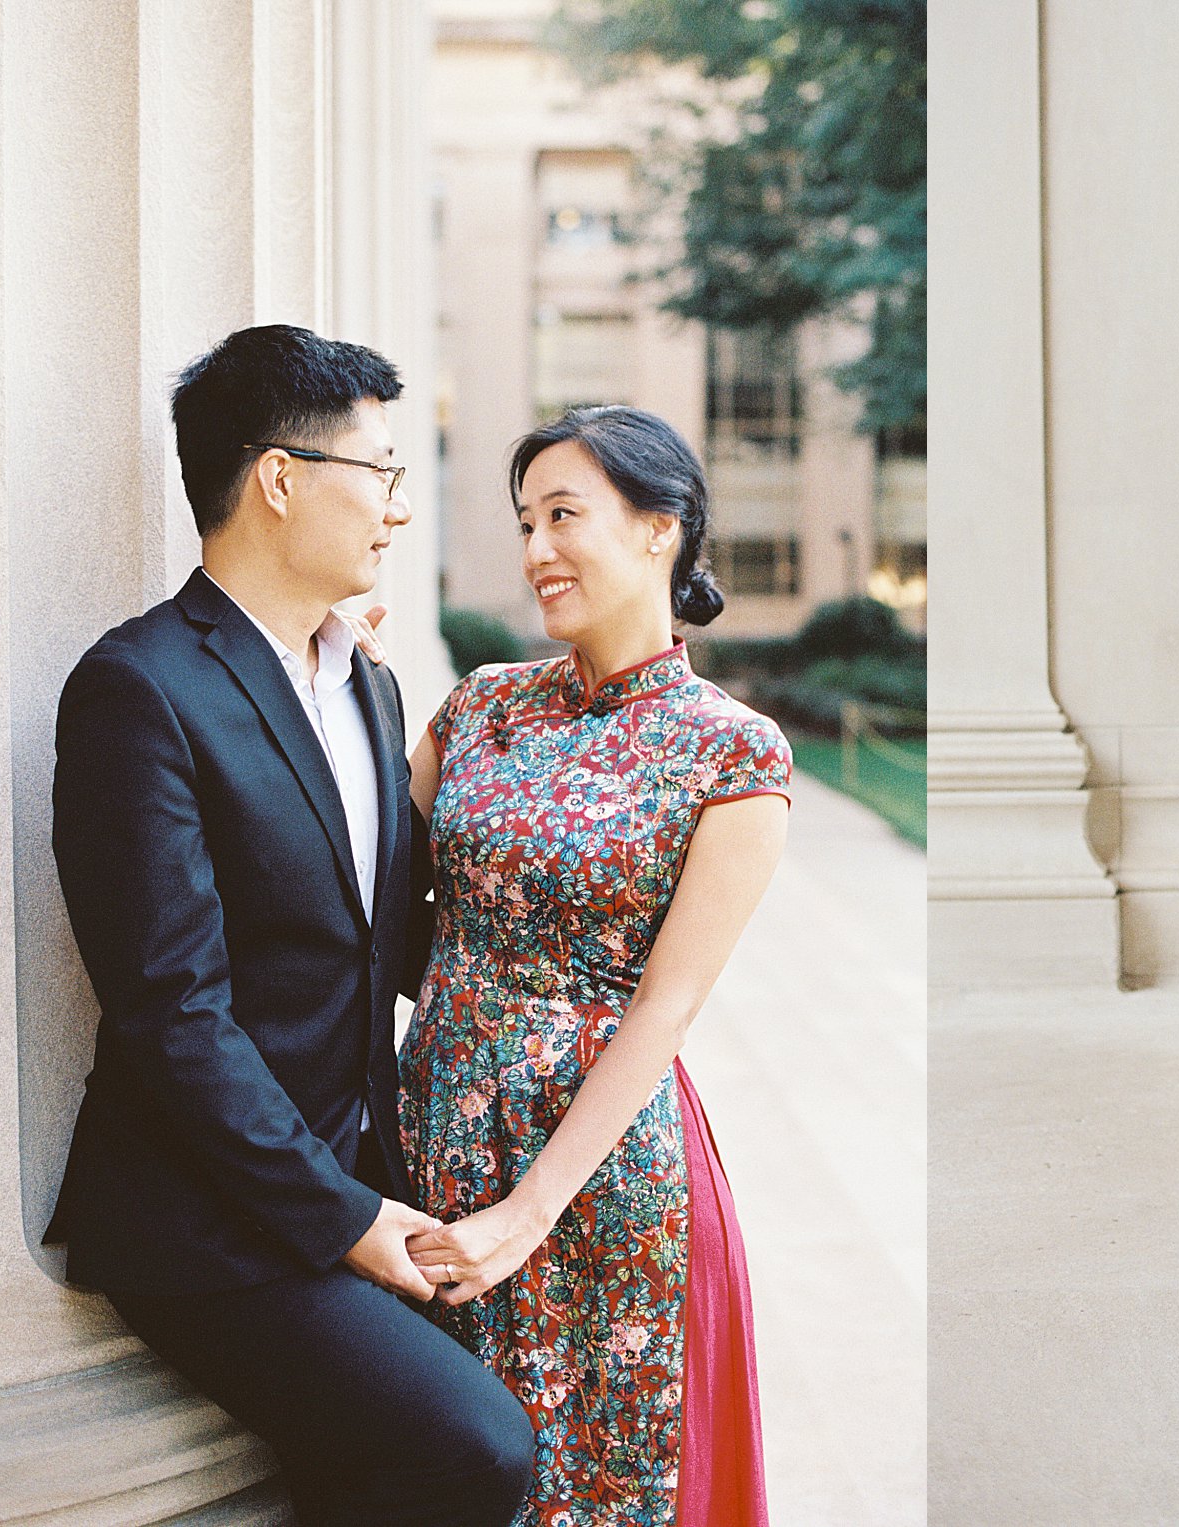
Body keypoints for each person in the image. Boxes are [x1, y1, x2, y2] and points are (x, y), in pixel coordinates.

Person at [47, 324, 535, 1525]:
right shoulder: (138, 688)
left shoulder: (364, 682)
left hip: (361, 1165)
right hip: (210, 1217)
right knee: (479, 1448)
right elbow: (173, 1017)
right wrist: (348, 1220)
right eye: (379, 474)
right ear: (278, 477)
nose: (398, 513)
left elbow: (390, 934)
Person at [397, 405, 792, 1525]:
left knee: (602, 1493)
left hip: (603, 1183)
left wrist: (524, 1215)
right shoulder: (477, 706)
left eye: (563, 516)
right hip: (434, 1145)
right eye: (525, 522)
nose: (534, 552)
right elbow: (359, 903)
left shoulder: (730, 748)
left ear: (660, 528)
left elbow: (665, 1009)